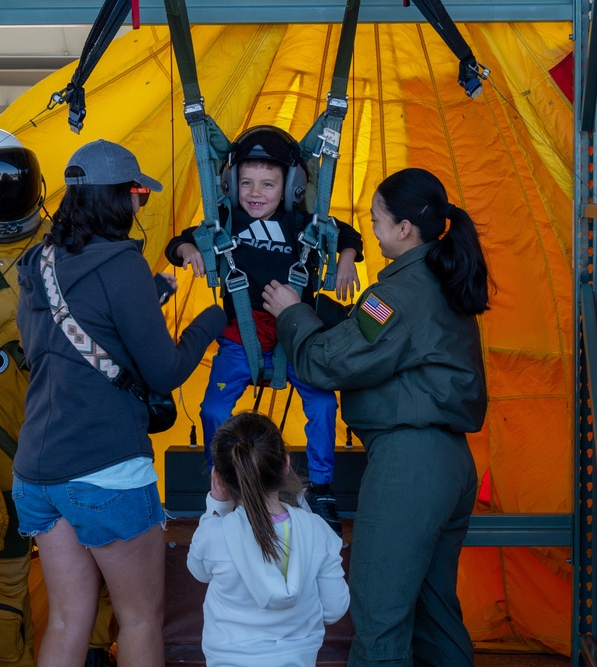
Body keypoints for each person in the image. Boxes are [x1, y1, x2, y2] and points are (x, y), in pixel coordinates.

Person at [262, 167, 490, 666]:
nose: (373, 230)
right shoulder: (440, 279)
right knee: (434, 616)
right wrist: (329, 314)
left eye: (378, 220)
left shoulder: (391, 296)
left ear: (405, 228)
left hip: (409, 464)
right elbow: (387, 347)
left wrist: (291, 313)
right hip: (450, 462)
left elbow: (328, 363)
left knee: (380, 618)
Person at [12, 139, 227, 667]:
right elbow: (167, 370)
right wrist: (211, 323)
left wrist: (141, 302)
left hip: (38, 471)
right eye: (139, 194)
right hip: (104, 468)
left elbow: (54, 345)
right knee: (138, 619)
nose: (141, 205)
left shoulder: (37, 261)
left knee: (67, 618)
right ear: (119, 198)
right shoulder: (120, 265)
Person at [0, 127, 119, 667]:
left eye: (11, 186)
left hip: (71, 433)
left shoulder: (62, 243)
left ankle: (91, 654)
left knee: (97, 558)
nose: (1, 196)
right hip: (3, 439)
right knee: (6, 566)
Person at [164, 125, 363, 537]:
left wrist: (346, 258)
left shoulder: (302, 222)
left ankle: (321, 487)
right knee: (213, 411)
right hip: (242, 336)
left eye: (268, 184)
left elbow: (346, 233)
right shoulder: (227, 220)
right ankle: (222, 484)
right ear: (231, 185)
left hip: (296, 339)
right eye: (246, 183)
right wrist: (187, 253)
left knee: (324, 406)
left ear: (290, 187)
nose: (256, 193)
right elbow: (182, 241)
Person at [187, 412, 350, 666]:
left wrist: (215, 509)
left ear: (219, 478)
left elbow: (198, 571)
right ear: (285, 464)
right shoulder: (318, 531)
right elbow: (334, 608)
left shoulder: (214, 532)